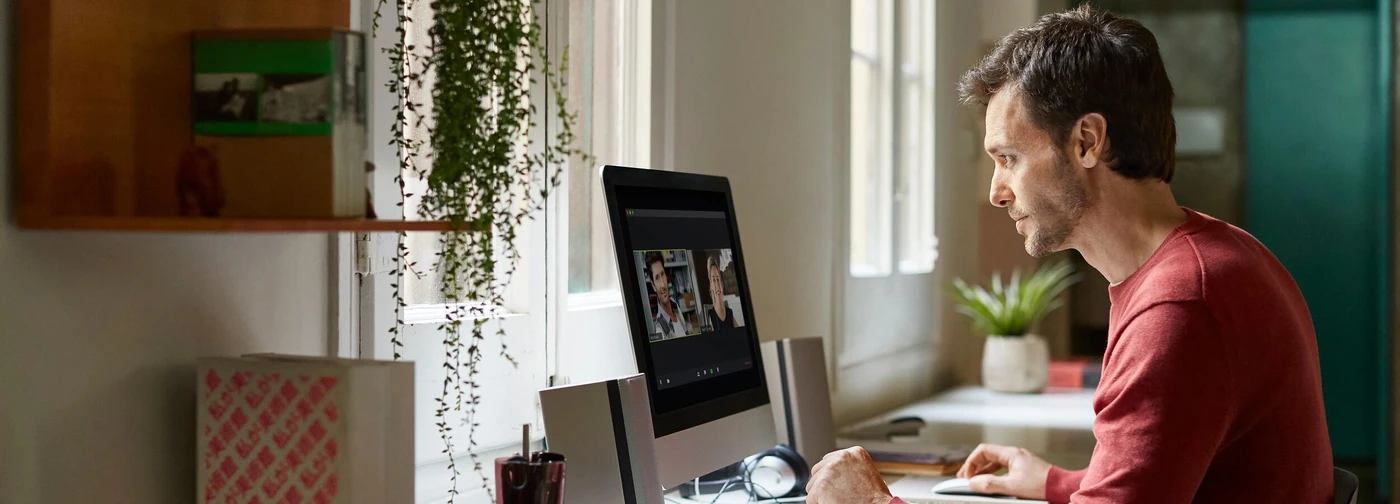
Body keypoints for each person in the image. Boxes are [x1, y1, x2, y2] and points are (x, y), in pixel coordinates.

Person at [805, 4, 1333, 504]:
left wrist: (874, 501)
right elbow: (1181, 459)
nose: (997, 191)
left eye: (1008, 157)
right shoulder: (1221, 255)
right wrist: (1060, 481)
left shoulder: (1179, 305)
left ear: (1086, 141)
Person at [646, 251, 691, 339]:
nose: (663, 285)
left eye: (662, 274)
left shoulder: (674, 304)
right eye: (657, 278)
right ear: (653, 285)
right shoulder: (660, 329)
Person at [705, 254, 740, 330]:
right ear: (711, 285)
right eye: (713, 280)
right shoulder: (710, 317)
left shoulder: (730, 313)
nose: (717, 284)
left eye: (718, 279)